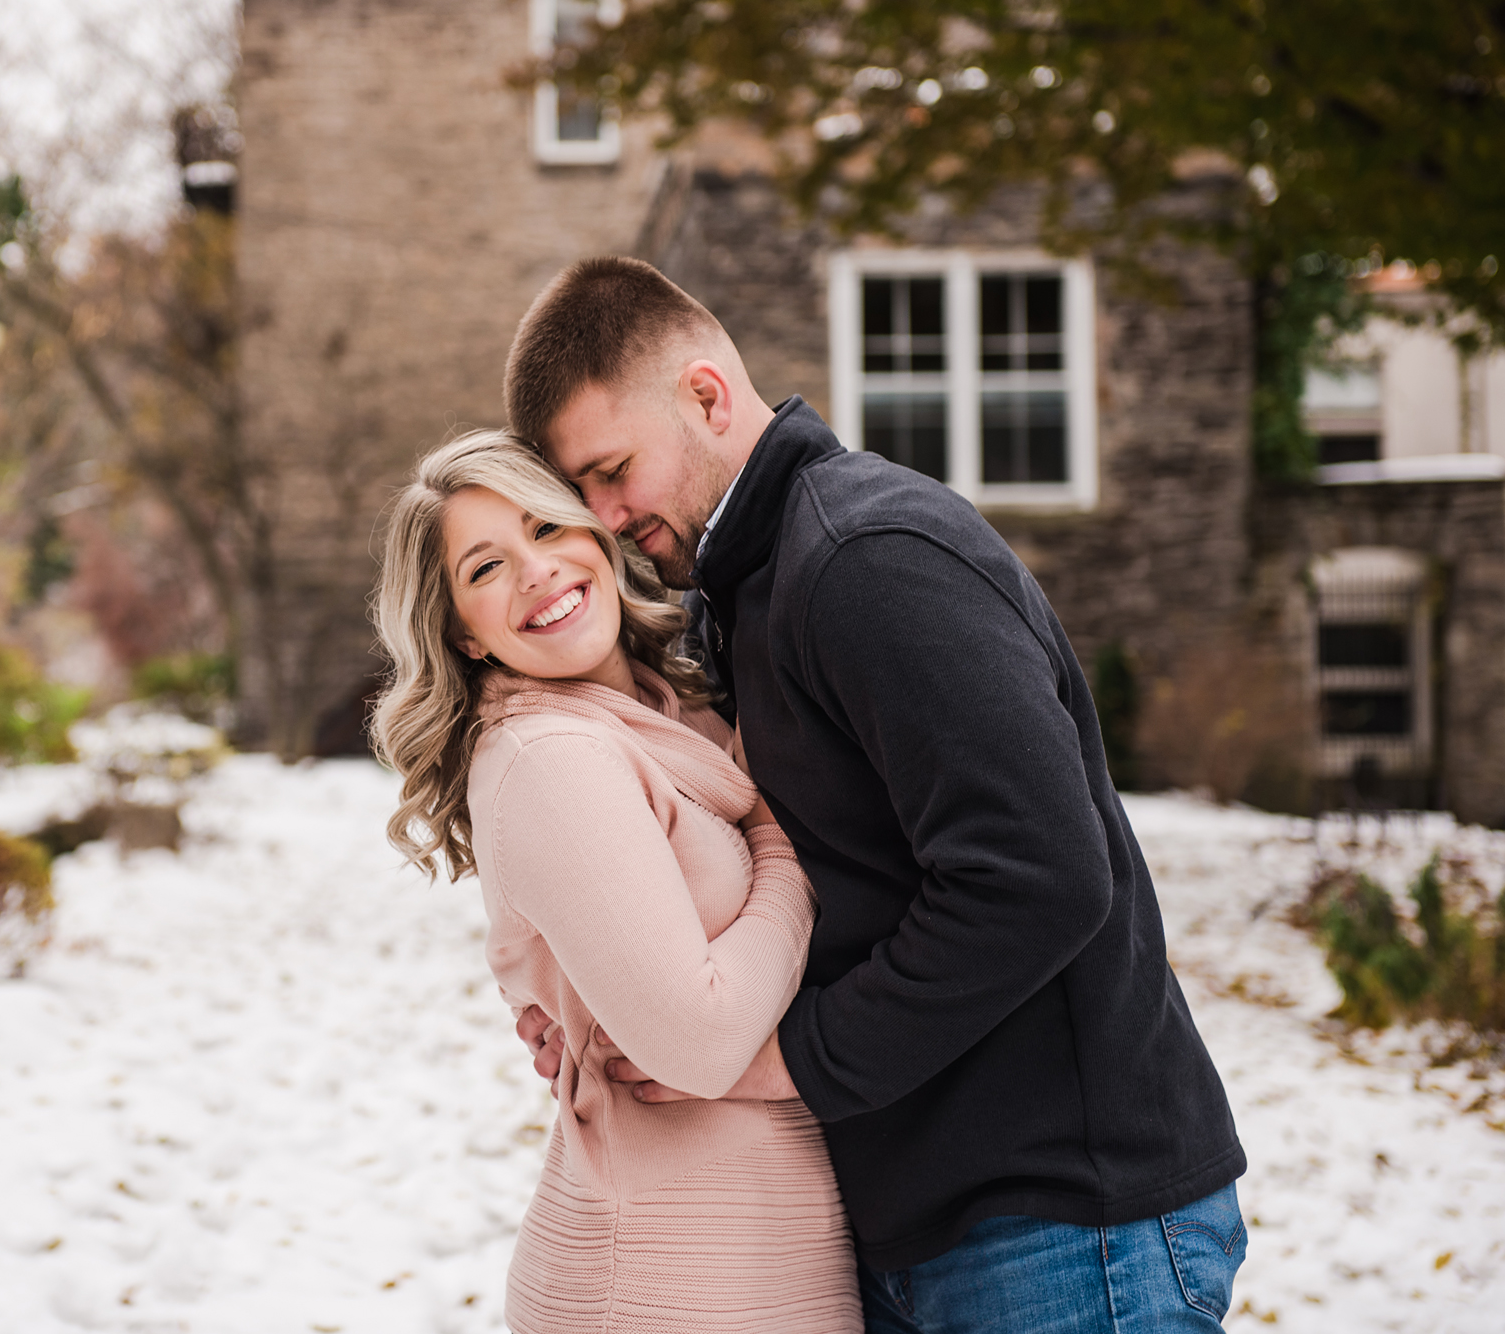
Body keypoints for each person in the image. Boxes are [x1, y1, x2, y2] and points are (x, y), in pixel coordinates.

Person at [499, 257, 1248, 1333]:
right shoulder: (745, 589)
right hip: (919, 1222)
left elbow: (1035, 879)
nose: (605, 516)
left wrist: (784, 1059)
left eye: (611, 470)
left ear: (705, 395)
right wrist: (602, 999)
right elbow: (818, 870)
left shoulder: (864, 557)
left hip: (1061, 1226)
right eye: (579, 492)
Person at [369, 429, 863, 1332]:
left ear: (594, 534)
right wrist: (784, 846)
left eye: (546, 528)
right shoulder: (547, 756)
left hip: (759, 1260)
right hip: (657, 1282)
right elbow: (703, 1042)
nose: (538, 572)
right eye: (485, 569)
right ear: (462, 636)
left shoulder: (672, 713)